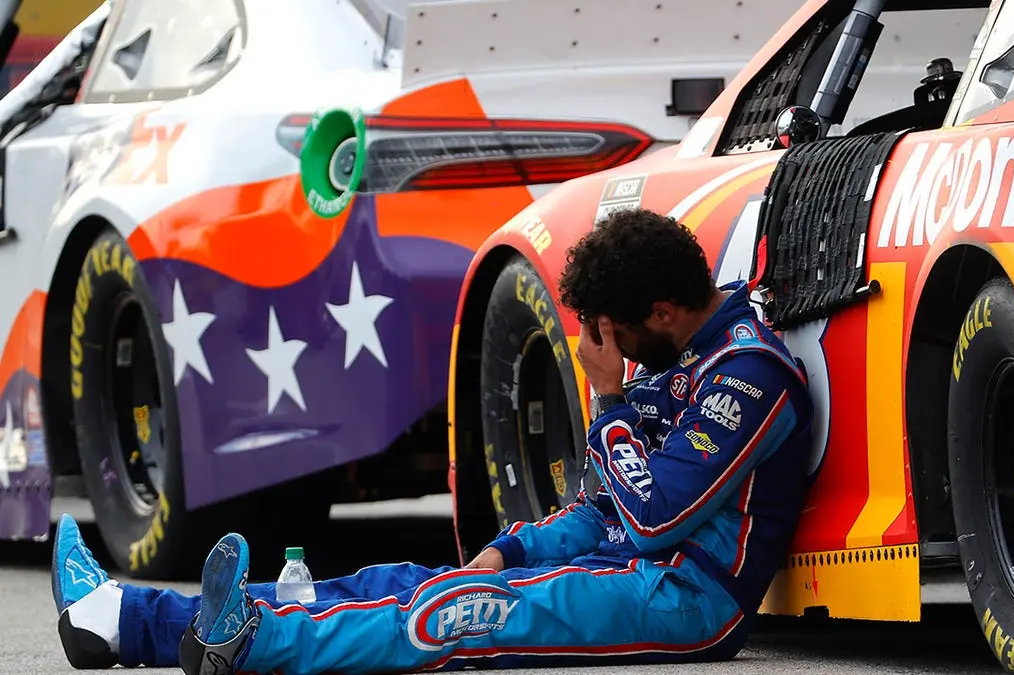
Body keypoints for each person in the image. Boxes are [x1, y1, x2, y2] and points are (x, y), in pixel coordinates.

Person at [51, 207, 818, 675]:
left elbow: (653, 520)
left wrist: (610, 399)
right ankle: (122, 618)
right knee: (394, 578)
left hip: (686, 598)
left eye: (609, 331)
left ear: (662, 311)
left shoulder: (749, 373)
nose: (600, 348)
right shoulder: (675, 352)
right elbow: (604, 509)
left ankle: (250, 641)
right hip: (623, 568)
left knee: (450, 611)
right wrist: (513, 548)